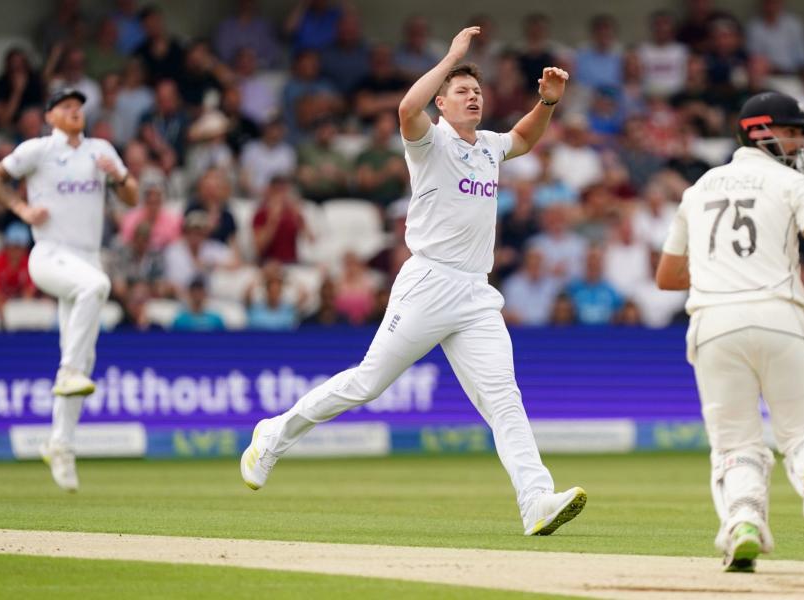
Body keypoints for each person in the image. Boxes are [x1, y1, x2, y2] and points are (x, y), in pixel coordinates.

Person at [241, 27, 587, 536]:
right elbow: (405, 110)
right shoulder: (429, 141)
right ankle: (274, 433)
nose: (473, 97)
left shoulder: (489, 146)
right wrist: (450, 59)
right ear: (442, 104)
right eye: (461, 92)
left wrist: (546, 103)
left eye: (477, 91)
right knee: (366, 383)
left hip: (474, 292)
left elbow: (526, 138)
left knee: (504, 397)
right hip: (427, 282)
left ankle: (535, 500)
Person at [655, 91, 804, 572]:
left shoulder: (698, 189)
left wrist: (720, 273)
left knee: (736, 445)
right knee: (803, 433)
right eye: (793, 132)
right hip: (780, 319)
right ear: (759, 131)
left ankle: (743, 524)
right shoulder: (788, 184)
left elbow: (667, 277)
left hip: (713, 326)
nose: (800, 143)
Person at [0, 88, 138, 492]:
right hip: (49, 254)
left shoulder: (100, 149)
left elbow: (132, 195)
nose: (75, 113)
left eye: (79, 108)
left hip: (86, 255)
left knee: (85, 358)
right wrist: (22, 210)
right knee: (98, 288)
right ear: (50, 115)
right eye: (66, 108)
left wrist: (118, 175)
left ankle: (60, 444)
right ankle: (67, 371)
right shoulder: (37, 150)